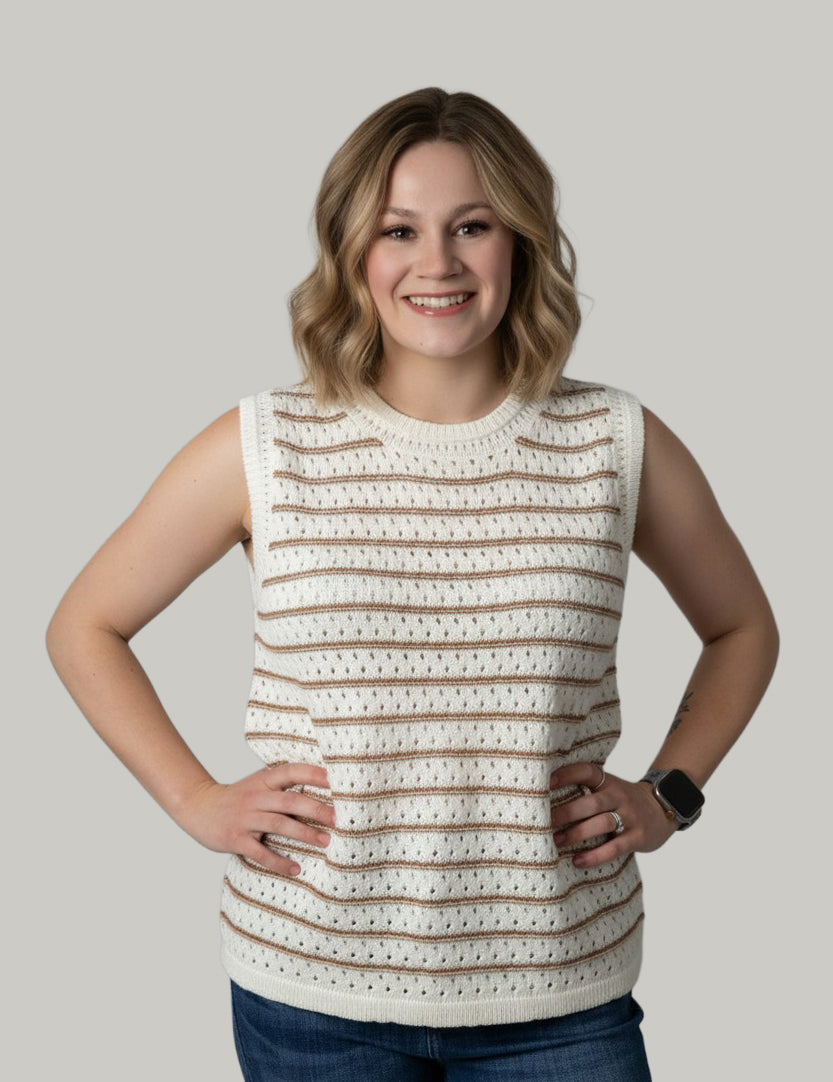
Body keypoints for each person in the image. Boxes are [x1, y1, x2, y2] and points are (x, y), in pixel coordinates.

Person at [46, 87, 779, 1081]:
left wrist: (668, 794)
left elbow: (741, 627)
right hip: (313, 992)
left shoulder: (612, 440)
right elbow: (86, 624)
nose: (437, 262)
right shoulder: (264, 445)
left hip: (560, 990)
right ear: (354, 251)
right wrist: (193, 798)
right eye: (399, 230)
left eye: (471, 225)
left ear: (519, 241)